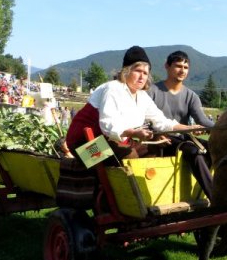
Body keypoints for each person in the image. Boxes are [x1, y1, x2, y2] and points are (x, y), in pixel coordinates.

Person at [66, 46, 196, 161]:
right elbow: (108, 126)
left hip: (111, 142)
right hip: (83, 147)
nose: (142, 77)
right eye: (137, 71)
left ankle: (146, 187)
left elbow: (161, 121)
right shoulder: (113, 88)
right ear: (126, 71)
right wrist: (133, 133)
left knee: (155, 149)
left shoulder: (142, 96)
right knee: (129, 154)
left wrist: (189, 128)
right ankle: (127, 187)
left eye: (145, 73)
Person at [148, 50, 215, 199]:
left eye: (185, 67)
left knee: (216, 149)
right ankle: (216, 198)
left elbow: (203, 121)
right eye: (178, 66)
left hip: (184, 138)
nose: (182, 70)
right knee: (195, 151)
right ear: (167, 66)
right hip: (161, 140)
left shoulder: (191, 96)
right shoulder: (152, 91)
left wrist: (224, 127)